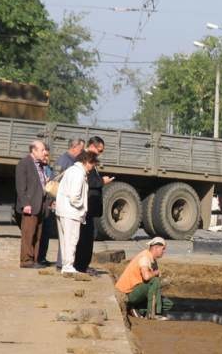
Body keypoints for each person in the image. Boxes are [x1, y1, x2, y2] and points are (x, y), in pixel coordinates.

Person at [74, 136, 115, 274]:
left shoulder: (90, 159)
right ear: (91, 146)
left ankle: (84, 265)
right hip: (85, 206)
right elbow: (89, 182)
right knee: (83, 239)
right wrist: (102, 181)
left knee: (88, 238)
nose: (100, 154)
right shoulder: (83, 159)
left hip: (90, 208)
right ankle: (80, 266)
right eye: (99, 150)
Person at [55, 151, 98, 274]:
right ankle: (68, 266)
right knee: (71, 239)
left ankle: (66, 265)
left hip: (63, 210)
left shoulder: (71, 170)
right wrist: (82, 207)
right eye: (92, 164)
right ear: (87, 162)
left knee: (65, 240)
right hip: (71, 212)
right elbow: (75, 197)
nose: (92, 167)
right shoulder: (79, 174)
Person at [115, 237, 173, 318]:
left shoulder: (152, 259)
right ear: (155, 247)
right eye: (163, 249)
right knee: (155, 280)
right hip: (127, 294)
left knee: (168, 304)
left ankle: (137, 309)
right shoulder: (145, 257)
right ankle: (151, 313)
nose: (164, 251)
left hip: (138, 291)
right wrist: (156, 273)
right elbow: (146, 277)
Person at [15, 140, 47, 268]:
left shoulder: (39, 165)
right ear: (34, 150)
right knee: (28, 234)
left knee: (37, 235)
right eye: (42, 150)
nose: (44, 152)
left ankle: (34, 259)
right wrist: (25, 204)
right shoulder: (24, 164)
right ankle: (26, 260)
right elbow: (21, 186)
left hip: (40, 205)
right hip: (30, 205)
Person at [37, 144, 57, 265]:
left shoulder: (49, 169)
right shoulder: (37, 169)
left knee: (46, 233)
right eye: (44, 154)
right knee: (39, 232)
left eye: (47, 155)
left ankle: (42, 257)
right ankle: (37, 257)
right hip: (39, 204)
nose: (46, 157)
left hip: (48, 204)